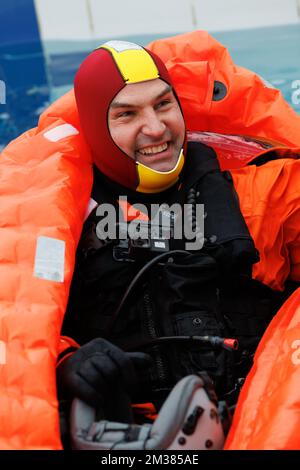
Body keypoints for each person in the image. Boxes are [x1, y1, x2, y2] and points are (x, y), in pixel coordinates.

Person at [56, 40, 300, 441]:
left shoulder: (254, 195)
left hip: (261, 425)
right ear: (98, 130)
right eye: (127, 114)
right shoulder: (57, 227)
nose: (155, 127)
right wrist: (65, 361)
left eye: (164, 104)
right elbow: (18, 330)